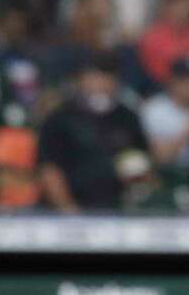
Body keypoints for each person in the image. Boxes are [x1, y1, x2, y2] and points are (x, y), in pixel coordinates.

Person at [37, 51, 148, 211]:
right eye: (93, 77)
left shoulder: (128, 118)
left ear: (116, 81)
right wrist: (69, 210)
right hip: (71, 211)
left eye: (106, 77)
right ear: (81, 80)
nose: (100, 84)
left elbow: (140, 162)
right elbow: (49, 169)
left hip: (118, 209)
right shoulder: (60, 118)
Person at [139, 56, 189, 171]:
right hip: (171, 174)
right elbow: (162, 158)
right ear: (173, 80)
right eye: (185, 80)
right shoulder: (155, 110)